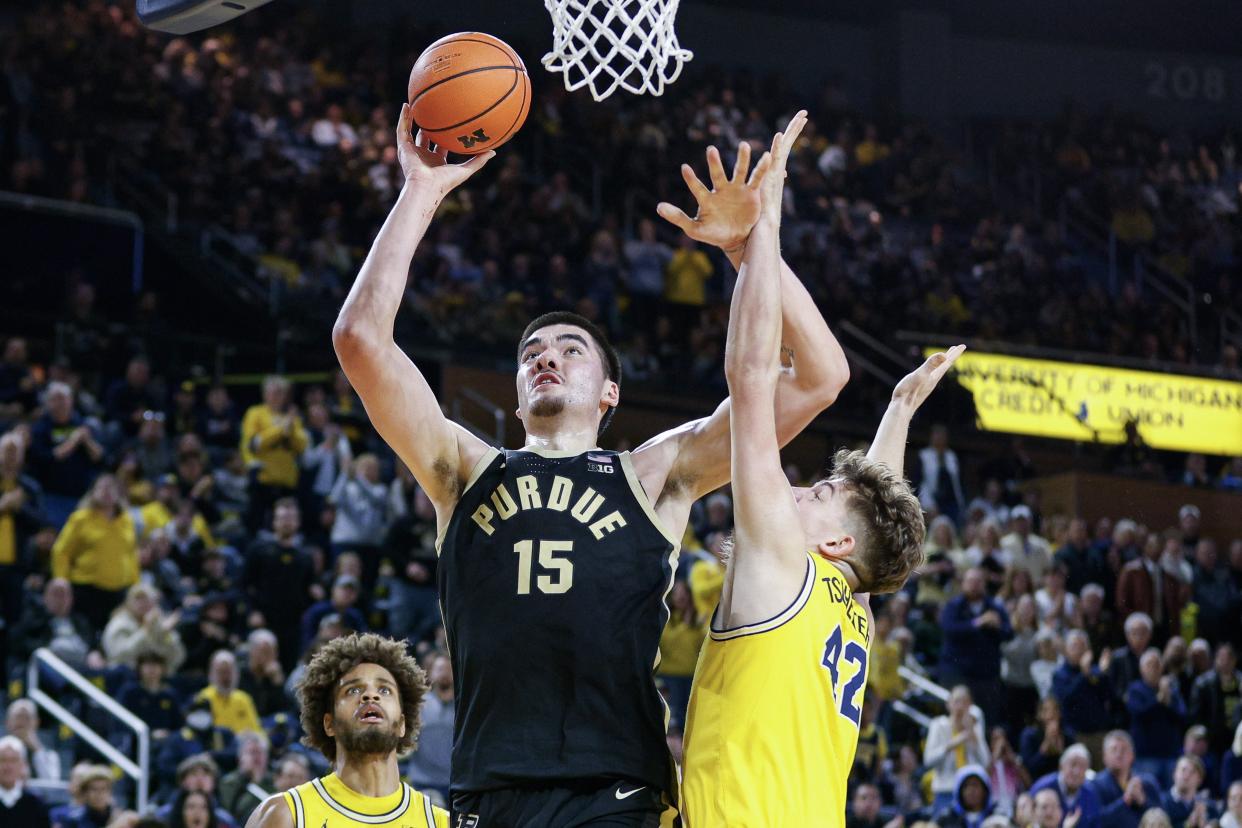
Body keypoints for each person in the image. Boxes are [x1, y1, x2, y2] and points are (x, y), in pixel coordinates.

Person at [333, 105, 848, 825]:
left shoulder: (654, 473)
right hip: (491, 789)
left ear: (609, 393)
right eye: (532, 353)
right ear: (516, 392)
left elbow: (819, 377)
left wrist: (749, 254)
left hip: (620, 786)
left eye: (571, 349)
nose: (547, 355)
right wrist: (420, 191)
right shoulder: (463, 468)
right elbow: (359, 340)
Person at [681, 114, 948, 827]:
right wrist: (897, 410)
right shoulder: (852, 608)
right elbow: (878, 518)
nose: (800, 485)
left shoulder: (782, 562)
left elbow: (750, 374)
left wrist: (762, 229)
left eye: (819, 492)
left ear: (833, 544)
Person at [246, 633, 447, 827]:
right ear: (329, 723)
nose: (370, 695)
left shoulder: (440, 822)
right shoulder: (285, 815)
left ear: (403, 723)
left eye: (385, 690)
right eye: (353, 690)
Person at [50, 474, 139, 630]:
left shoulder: (126, 520)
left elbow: (131, 555)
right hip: (87, 590)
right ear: (93, 493)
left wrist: (135, 585)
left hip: (119, 591)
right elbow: (61, 551)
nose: (107, 491)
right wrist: (61, 578)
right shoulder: (80, 518)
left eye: (111, 488)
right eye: (102, 487)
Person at [940, 567, 1014, 728]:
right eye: (970, 581)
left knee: (985, 721)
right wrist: (977, 623)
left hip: (986, 676)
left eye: (978, 581)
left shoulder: (995, 607)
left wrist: (997, 626)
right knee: (956, 721)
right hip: (958, 673)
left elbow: (1009, 633)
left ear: (984, 584)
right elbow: (949, 629)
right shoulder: (954, 605)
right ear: (963, 584)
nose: (974, 585)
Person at [926, 686, 993, 813]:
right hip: (945, 790)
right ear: (948, 704)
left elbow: (986, 762)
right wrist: (954, 743)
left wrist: (972, 736)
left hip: (969, 793)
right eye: (956, 701)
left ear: (970, 706)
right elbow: (929, 760)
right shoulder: (938, 725)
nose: (960, 706)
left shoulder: (974, 728)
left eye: (965, 702)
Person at [1126, 649, 1185, 786]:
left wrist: (1168, 700)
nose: (1154, 669)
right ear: (1142, 669)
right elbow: (1139, 714)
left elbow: (1182, 716)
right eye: (1149, 665)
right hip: (1146, 756)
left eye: (1157, 665)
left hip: (1170, 754)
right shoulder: (1135, 689)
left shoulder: (1172, 690)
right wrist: (1158, 700)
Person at [406, 654, 453, 806]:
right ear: (431, 673)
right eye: (440, 669)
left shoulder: (465, 706)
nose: (444, 673)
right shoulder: (417, 704)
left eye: (449, 669)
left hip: (455, 784)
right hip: (423, 782)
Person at [1093, 731, 1162, 828]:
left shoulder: (1147, 783)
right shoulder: (1095, 785)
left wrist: (1142, 801)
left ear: (1132, 755)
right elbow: (1096, 821)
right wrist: (1125, 800)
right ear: (1104, 756)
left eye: (1123, 750)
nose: (1119, 754)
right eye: (1114, 749)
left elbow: (1162, 820)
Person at [1029, 744, 1101, 828]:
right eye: (1073, 764)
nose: (1076, 772)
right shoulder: (1042, 787)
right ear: (1061, 766)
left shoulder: (1091, 794)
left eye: (1082, 766)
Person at [195, 650, 262, 736]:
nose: (226, 678)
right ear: (212, 674)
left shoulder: (243, 698)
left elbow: (257, 730)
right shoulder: (203, 699)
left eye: (228, 672)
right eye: (221, 672)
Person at [0, 735, 50, 828]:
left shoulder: (36, 803)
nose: (8, 766)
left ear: (23, 765)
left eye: (14, 760)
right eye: (3, 760)